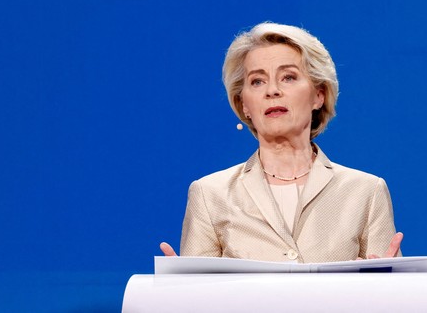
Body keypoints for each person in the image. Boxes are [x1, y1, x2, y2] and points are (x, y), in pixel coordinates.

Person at [160, 22, 403, 262]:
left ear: (318, 95)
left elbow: (393, 297)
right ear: (244, 104)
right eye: (257, 81)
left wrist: (384, 283)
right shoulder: (210, 194)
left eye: (288, 77)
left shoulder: (366, 192)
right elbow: (195, 299)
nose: (272, 90)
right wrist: (181, 286)